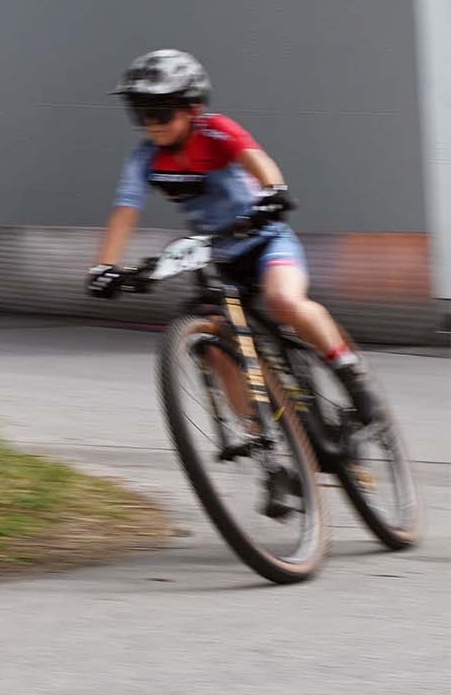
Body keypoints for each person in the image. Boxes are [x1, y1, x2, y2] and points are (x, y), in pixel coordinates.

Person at [87, 49, 381, 436]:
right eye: (141, 114)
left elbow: (258, 161)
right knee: (215, 343)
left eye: (161, 113)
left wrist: (272, 191)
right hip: (222, 257)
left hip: (265, 241)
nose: (151, 125)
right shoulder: (145, 159)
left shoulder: (216, 131)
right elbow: (124, 212)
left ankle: (353, 378)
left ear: (192, 108)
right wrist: (105, 266)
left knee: (284, 301)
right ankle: (258, 436)